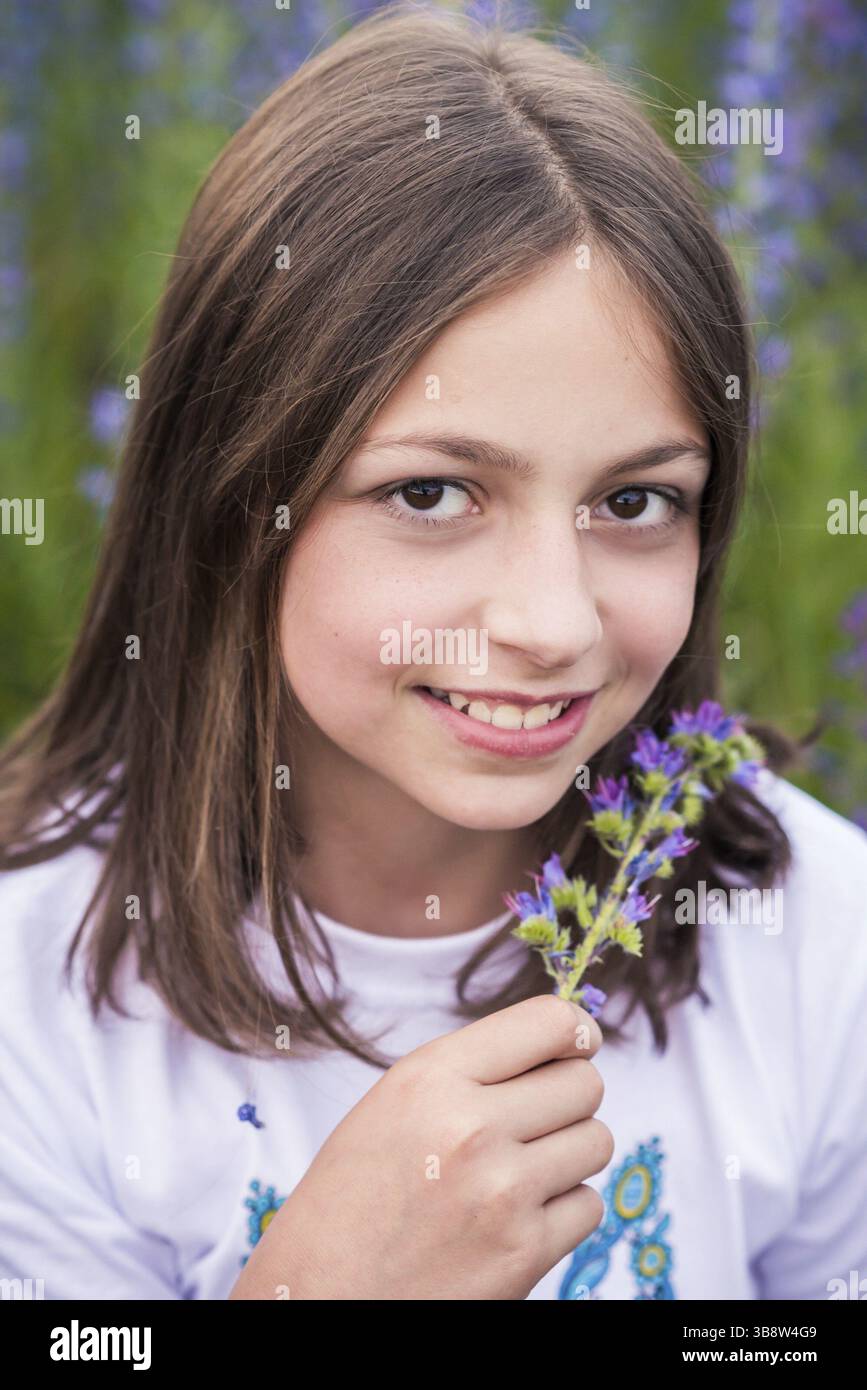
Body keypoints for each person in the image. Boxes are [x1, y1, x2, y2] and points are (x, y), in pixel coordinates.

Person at [1, 4, 865, 1301]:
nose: (552, 621)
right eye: (431, 494)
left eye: (635, 502)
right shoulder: (37, 986)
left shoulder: (816, 944)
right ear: (236, 495)